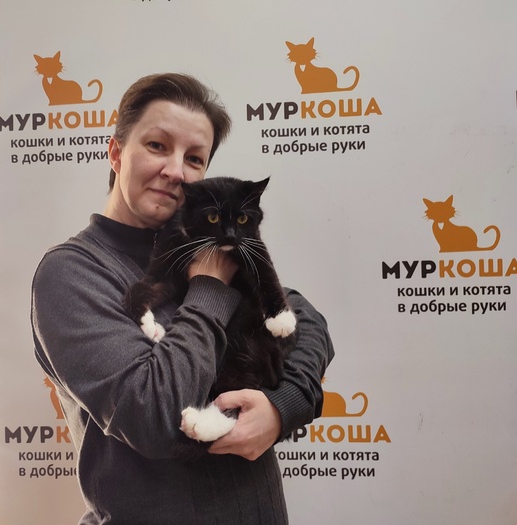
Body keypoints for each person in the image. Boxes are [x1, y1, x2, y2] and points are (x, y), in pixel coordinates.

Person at [31, 73, 334, 524]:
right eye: (157, 145)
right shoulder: (72, 273)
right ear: (116, 152)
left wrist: (282, 406)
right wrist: (210, 288)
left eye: (194, 158)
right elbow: (154, 416)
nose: (175, 171)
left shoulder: (208, 243)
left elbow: (306, 320)